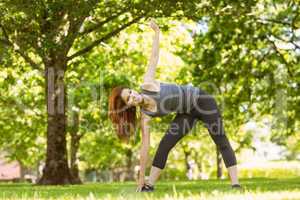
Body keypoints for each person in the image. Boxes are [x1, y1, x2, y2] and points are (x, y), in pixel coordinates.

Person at [108, 19, 241, 192]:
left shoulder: (147, 84)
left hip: (202, 100)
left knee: (220, 140)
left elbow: (154, 57)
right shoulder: (146, 115)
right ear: (128, 106)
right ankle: (149, 186)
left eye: (130, 92)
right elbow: (145, 147)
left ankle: (236, 184)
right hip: (187, 113)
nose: (133, 96)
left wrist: (157, 33)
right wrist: (141, 178)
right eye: (128, 99)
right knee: (165, 144)